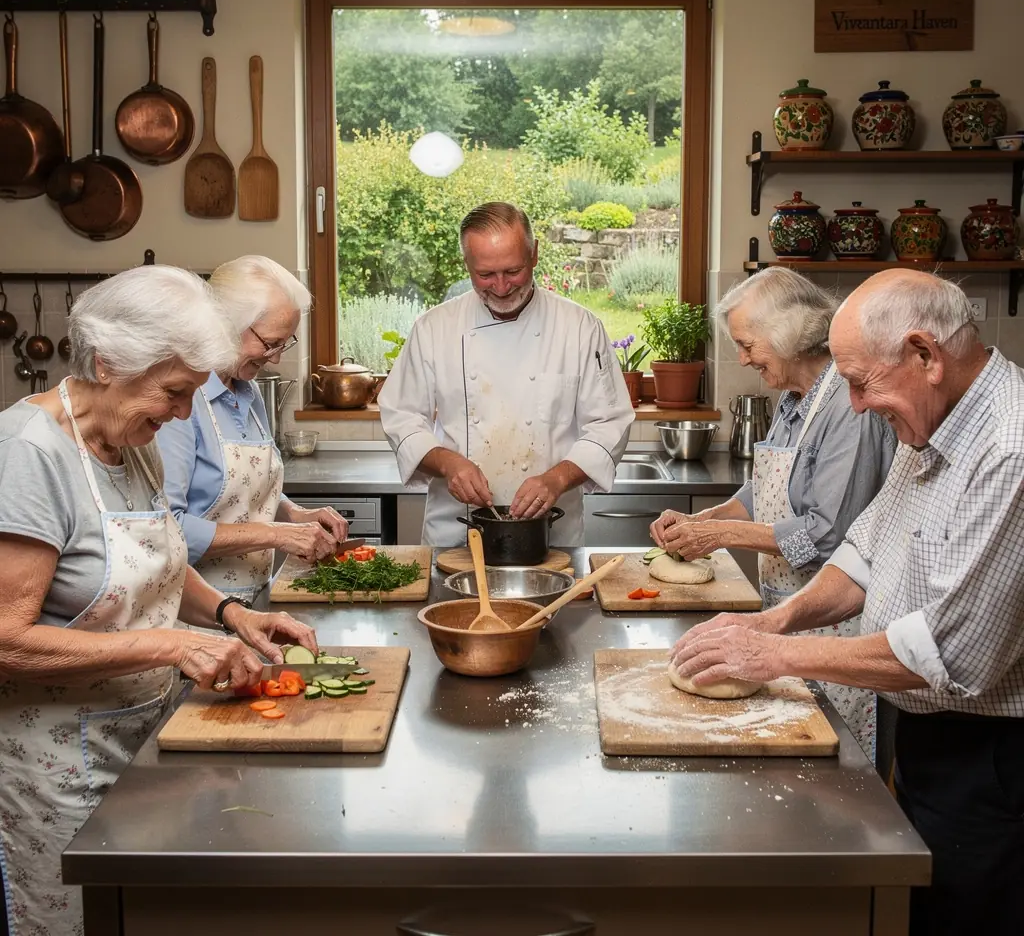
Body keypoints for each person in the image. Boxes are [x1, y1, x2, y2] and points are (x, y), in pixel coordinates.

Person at [669, 270, 1024, 936]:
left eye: (862, 383)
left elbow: (944, 655)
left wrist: (774, 652)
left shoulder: (1008, 450)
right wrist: (773, 619)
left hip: (993, 759)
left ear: (924, 354)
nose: (855, 407)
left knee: (969, 915)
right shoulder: (931, 427)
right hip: (932, 738)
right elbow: (862, 552)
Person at [0, 266, 319, 936]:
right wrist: (173, 644)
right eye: (174, 392)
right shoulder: (27, 456)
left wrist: (233, 613)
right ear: (110, 364)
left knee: (156, 918)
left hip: (150, 737)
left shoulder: (131, 442)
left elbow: (162, 564)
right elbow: (7, 638)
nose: (181, 415)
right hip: (62, 764)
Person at [651, 267, 895, 758]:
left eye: (747, 344)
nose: (741, 360)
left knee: (837, 767)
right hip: (787, 611)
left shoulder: (847, 408)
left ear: (788, 335)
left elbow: (824, 537)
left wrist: (719, 535)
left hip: (839, 626)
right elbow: (765, 488)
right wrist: (705, 522)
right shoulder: (792, 399)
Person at [378, 201, 633, 546]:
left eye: (513, 271)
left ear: (535, 254)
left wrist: (557, 478)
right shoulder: (434, 329)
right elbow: (401, 416)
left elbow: (610, 423)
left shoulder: (580, 328)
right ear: (466, 264)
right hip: (455, 529)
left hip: (552, 532)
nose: (500, 287)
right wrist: (448, 463)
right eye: (485, 275)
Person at [157, 256, 349, 605]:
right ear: (226, 324)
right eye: (270, 343)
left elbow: (249, 494)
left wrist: (294, 514)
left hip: (256, 599)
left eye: (284, 344)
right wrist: (277, 534)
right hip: (197, 613)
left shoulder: (248, 390)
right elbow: (168, 528)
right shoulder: (181, 401)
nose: (275, 358)